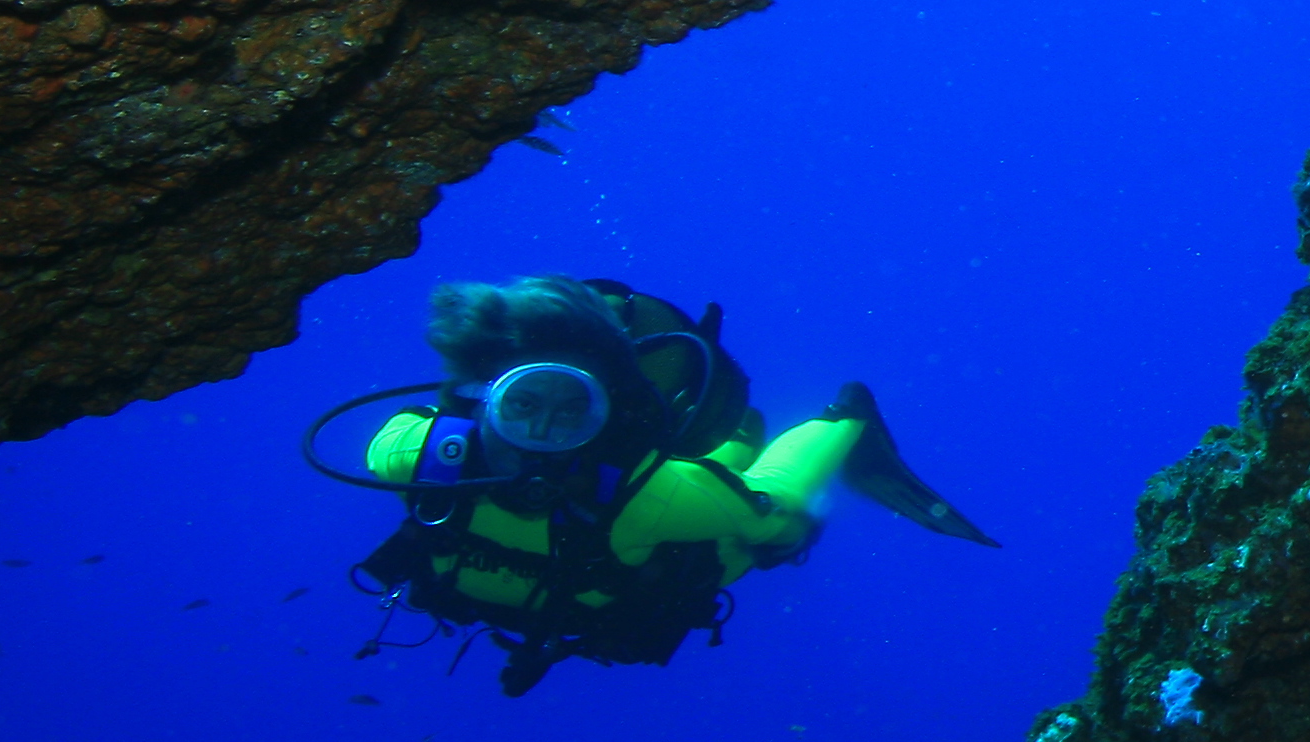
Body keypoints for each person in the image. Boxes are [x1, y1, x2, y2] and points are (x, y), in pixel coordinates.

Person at [305, 277, 995, 694]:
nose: (543, 434)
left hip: (680, 534)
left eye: (572, 411)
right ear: (486, 397)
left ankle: (844, 419)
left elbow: (762, 507)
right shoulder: (418, 457)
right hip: (573, 589)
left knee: (777, 521)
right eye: (523, 406)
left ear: (602, 416)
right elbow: (400, 434)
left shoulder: (647, 498)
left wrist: (777, 522)